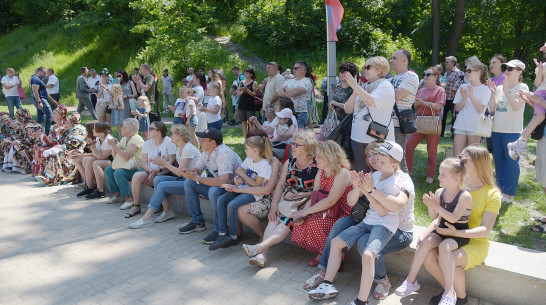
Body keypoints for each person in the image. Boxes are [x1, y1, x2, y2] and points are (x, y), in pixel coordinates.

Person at [307, 141, 405, 304]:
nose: (375, 160)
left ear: (393, 164)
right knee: (336, 240)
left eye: (379, 158)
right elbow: (351, 201)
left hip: (385, 226)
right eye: (371, 156)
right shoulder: (373, 175)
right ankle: (326, 283)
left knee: (366, 251)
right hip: (365, 220)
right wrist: (358, 187)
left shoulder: (396, 181)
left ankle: (367, 295)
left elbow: (383, 211)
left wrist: (368, 191)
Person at [422, 145, 501, 305]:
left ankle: (461, 298)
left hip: (474, 242)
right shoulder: (456, 186)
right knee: (428, 256)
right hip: (449, 236)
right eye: (459, 157)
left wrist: (457, 234)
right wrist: (425, 234)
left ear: (478, 164)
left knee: (448, 258)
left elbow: (485, 230)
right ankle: (450, 294)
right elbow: (440, 217)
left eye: (464, 160)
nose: (459, 161)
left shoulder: (492, 194)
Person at [395, 159, 472, 305]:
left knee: (444, 247)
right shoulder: (439, 192)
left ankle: (449, 292)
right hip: (442, 230)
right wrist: (432, 205)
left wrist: (436, 206)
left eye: (443, 175)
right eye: (439, 173)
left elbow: (454, 218)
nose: (439, 177)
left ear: (456, 179)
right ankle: (410, 281)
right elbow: (434, 217)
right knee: (425, 242)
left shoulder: (465, 196)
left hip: (457, 233)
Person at [240, 130, 318, 267]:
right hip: (287, 200)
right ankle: (262, 255)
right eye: (292, 144)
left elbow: (318, 191)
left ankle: (259, 250)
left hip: (304, 204)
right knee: (274, 217)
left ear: (307, 148)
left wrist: (305, 195)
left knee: (285, 223)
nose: (292, 147)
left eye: (296, 145)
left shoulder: (316, 166)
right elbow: (281, 185)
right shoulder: (290, 162)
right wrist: (274, 205)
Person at [129, 124, 201, 229]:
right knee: (157, 179)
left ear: (179, 136)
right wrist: (160, 166)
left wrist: (164, 163)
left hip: (193, 183)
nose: (169, 135)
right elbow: (180, 173)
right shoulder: (180, 149)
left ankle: (146, 218)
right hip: (185, 180)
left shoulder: (188, 148)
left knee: (162, 186)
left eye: (172, 134)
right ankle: (168, 211)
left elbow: (180, 173)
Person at [210, 136, 274, 250]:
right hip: (244, 189)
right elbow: (241, 174)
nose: (245, 151)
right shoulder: (249, 159)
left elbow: (257, 184)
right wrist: (238, 180)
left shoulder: (264, 164)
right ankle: (222, 233)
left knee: (232, 205)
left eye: (246, 148)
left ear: (255, 150)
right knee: (221, 200)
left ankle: (233, 236)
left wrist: (242, 176)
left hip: (254, 194)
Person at [177, 128, 242, 235]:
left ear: (213, 143)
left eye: (203, 140)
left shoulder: (224, 153)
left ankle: (219, 230)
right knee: (189, 182)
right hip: (223, 187)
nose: (200, 141)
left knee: (213, 191)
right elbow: (198, 169)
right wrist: (189, 172)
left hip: (235, 189)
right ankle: (197, 222)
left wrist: (197, 178)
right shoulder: (206, 152)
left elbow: (223, 181)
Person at [487, 60, 529, 203]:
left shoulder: (523, 86)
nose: (507, 70)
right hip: (497, 129)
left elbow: (517, 106)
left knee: (511, 162)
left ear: (519, 71)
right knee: (498, 161)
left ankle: (509, 193)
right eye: (505, 67)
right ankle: (500, 190)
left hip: (512, 130)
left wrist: (506, 90)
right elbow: (492, 108)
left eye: (510, 68)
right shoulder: (498, 87)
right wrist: (493, 93)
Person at [344, 56, 395, 173]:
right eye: (363, 67)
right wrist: (355, 90)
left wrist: (355, 86)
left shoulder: (385, 85)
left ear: (380, 70)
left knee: (379, 173)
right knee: (362, 172)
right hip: (357, 137)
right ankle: (362, 192)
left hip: (375, 139)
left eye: (368, 67)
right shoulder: (365, 86)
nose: (364, 70)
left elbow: (371, 101)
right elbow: (348, 109)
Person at [124, 121, 177, 218]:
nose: (148, 131)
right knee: (136, 176)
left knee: (157, 179)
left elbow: (171, 161)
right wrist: (150, 171)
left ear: (159, 131)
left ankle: (161, 206)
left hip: (165, 174)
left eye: (151, 129)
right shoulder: (147, 143)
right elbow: (144, 163)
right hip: (151, 173)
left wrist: (159, 170)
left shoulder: (169, 142)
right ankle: (136, 206)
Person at [237, 130, 283, 241]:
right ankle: (236, 234)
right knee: (230, 201)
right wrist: (241, 182)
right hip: (255, 192)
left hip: (270, 198)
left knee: (241, 210)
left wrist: (242, 189)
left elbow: (267, 190)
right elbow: (246, 176)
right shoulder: (252, 158)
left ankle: (263, 236)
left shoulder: (273, 161)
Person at [405, 67, 446, 183]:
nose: (425, 76)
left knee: (432, 151)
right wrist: (416, 104)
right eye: (424, 74)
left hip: (432, 123)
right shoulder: (421, 90)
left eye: (429, 74)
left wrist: (424, 103)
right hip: (419, 122)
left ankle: (431, 175)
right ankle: (408, 171)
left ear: (436, 76)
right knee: (409, 145)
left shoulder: (440, 90)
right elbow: (415, 106)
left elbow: (438, 106)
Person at [507, 47, 546, 159]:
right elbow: (537, 83)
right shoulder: (543, 66)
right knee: (540, 116)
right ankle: (521, 141)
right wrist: (539, 69)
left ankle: (518, 143)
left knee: (540, 116)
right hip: (541, 93)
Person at [452, 57, 491, 158]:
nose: (466, 72)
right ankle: (457, 174)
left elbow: (481, 110)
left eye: (469, 70)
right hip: (461, 123)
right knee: (457, 156)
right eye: (466, 70)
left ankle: (471, 174)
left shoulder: (485, 89)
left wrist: (472, 96)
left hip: (475, 126)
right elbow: (457, 108)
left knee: (472, 157)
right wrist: (464, 99)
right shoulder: (462, 87)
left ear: (478, 72)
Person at [34, 113, 88, 186]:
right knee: (51, 152)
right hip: (70, 150)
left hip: (75, 152)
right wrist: (58, 135)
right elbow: (61, 141)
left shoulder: (79, 129)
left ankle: (52, 178)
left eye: (67, 121)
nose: (65, 123)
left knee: (55, 154)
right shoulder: (72, 129)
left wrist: (61, 147)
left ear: (72, 122)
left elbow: (73, 144)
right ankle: (50, 177)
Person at [389, 49, 419, 173]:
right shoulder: (390, 79)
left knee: (398, 160)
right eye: (391, 58)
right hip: (387, 124)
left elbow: (399, 95)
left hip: (398, 125)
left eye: (394, 58)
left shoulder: (411, 76)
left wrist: (383, 87)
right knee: (387, 158)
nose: (391, 60)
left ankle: (406, 189)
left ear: (405, 60)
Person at [104, 118, 146, 206]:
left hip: (138, 168)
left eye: (123, 127)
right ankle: (117, 195)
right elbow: (115, 156)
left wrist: (115, 146)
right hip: (127, 166)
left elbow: (126, 157)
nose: (121, 128)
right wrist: (114, 146)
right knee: (109, 170)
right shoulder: (124, 139)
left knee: (119, 173)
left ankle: (129, 199)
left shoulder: (136, 139)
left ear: (130, 128)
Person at [75, 122, 114, 198]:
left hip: (113, 161)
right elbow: (95, 155)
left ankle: (100, 190)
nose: (92, 130)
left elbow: (102, 158)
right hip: (105, 160)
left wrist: (92, 147)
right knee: (87, 160)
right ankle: (90, 187)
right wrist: (91, 147)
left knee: (96, 163)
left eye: (95, 129)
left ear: (101, 131)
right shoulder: (98, 139)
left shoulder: (108, 140)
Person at [31, 105, 69, 177]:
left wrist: (42, 136)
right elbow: (50, 140)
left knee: (41, 150)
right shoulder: (54, 126)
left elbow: (59, 142)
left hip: (61, 147)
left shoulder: (64, 127)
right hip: (54, 146)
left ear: (60, 115)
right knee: (37, 147)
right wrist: (40, 136)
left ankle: (47, 174)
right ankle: (40, 173)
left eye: (54, 113)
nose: (51, 115)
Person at [277, 61, 314, 128]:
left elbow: (295, 92)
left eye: (295, 68)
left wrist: (285, 90)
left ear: (302, 69)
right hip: (286, 115)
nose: (293, 70)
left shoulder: (307, 81)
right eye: (293, 68)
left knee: (297, 137)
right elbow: (279, 92)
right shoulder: (289, 81)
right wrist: (289, 93)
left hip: (299, 115)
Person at [441, 56, 465, 137]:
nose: (445, 63)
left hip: (454, 99)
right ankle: (441, 133)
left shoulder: (459, 73)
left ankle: (454, 135)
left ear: (453, 63)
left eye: (447, 62)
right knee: (442, 117)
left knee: (454, 117)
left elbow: (461, 85)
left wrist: (455, 92)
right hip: (445, 98)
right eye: (445, 62)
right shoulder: (446, 73)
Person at [31, 67, 55, 135]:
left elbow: (44, 92)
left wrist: (52, 100)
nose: (45, 75)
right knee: (50, 115)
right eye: (44, 73)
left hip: (41, 100)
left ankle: (38, 133)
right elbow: (35, 91)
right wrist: (39, 102)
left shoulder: (39, 79)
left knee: (40, 117)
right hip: (41, 100)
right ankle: (47, 134)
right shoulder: (35, 79)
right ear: (40, 71)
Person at [237, 67, 258, 137]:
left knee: (251, 122)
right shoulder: (241, 82)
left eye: (247, 73)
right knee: (244, 122)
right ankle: (246, 138)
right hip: (242, 103)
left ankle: (253, 137)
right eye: (245, 72)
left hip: (250, 104)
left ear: (251, 74)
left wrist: (247, 90)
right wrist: (243, 90)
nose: (245, 74)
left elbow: (254, 95)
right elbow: (238, 93)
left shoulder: (254, 83)